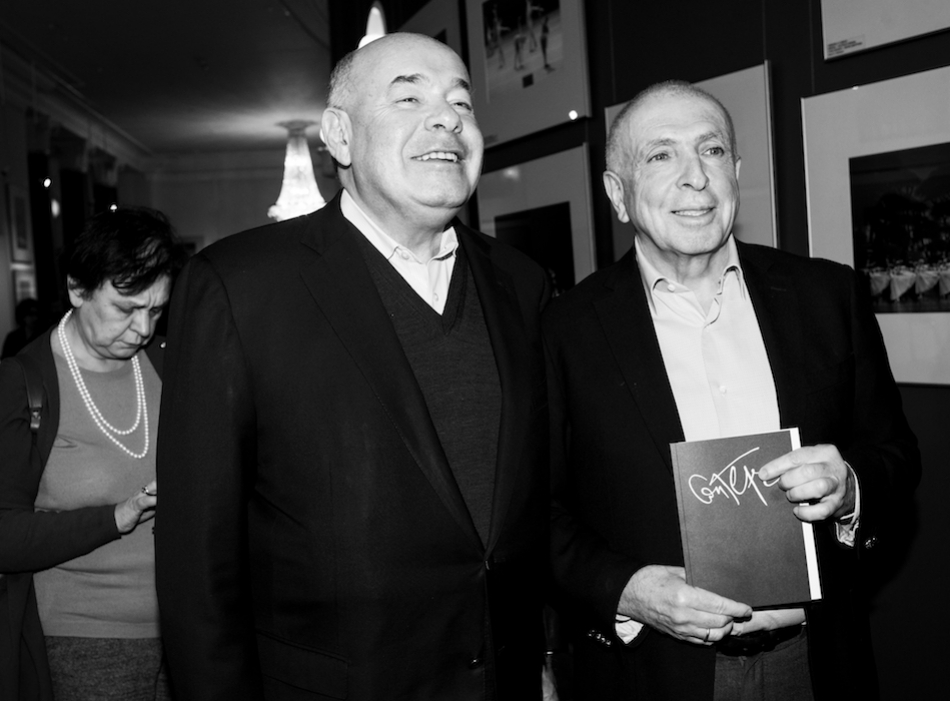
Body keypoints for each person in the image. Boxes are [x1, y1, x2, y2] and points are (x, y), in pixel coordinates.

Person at [156, 32, 550, 701]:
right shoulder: (240, 286)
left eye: (461, 102)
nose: (447, 118)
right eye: (409, 98)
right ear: (339, 135)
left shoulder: (522, 283)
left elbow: (534, 508)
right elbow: (198, 561)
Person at [543, 80, 921, 701]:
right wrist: (628, 590)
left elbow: (897, 452)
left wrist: (851, 484)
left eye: (712, 150)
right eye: (660, 155)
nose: (695, 176)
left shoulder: (828, 296)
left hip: (818, 662)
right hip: (654, 675)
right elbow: (539, 512)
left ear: (737, 173)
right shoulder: (564, 330)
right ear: (617, 193)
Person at [0, 207, 186, 700]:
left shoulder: (170, 364)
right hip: (82, 640)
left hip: (183, 632)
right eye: (126, 308)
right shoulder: (22, 384)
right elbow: (5, 534)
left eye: (156, 310)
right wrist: (116, 517)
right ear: (77, 289)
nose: (142, 327)